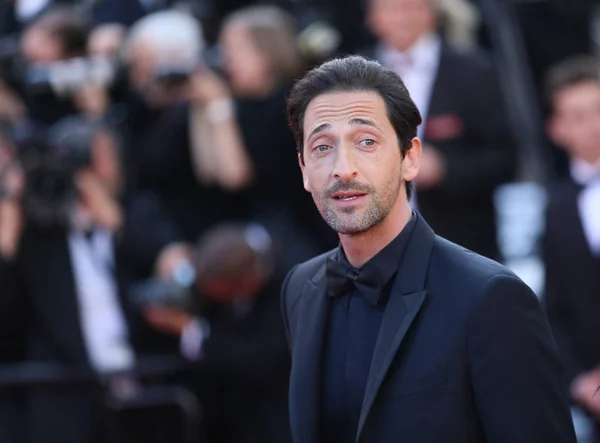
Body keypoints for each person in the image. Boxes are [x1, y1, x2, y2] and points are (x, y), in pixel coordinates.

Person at [280, 55, 576, 443]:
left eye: (366, 142)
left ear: (410, 158)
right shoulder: (301, 288)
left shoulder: (490, 298)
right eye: (322, 147)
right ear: (304, 169)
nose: (343, 168)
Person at [542, 55, 600, 441]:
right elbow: (555, 308)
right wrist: (582, 380)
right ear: (557, 129)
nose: (594, 125)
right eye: (579, 116)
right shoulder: (556, 210)